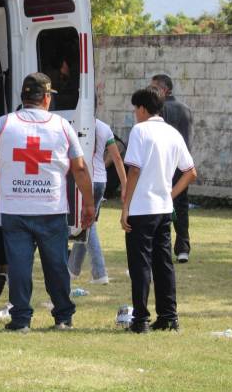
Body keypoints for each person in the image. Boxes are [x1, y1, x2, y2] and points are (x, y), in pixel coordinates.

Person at [0, 73, 95, 332]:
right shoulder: (62, 125)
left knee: (18, 266)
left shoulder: (3, 124)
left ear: (24, 97)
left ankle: (21, 321)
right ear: (47, 98)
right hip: (51, 208)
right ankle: (63, 317)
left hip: (14, 209)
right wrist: (88, 204)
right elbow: (80, 169)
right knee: (56, 265)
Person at [121, 87, 197, 334]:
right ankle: (168, 316)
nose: (135, 114)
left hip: (141, 207)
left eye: (135, 109)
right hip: (163, 208)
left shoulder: (140, 131)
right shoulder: (173, 133)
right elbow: (190, 172)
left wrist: (125, 207)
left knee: (140, 264)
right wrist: (171, 194)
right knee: (163, 263)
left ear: (142, 108)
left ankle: (140, 319)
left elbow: (134, 170)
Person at [68, 111, 127, 284]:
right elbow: (116, 156)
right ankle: (73, 270)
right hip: (101, 180)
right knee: (86, 225)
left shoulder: (73, 126)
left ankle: (99, 272)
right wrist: (124, 185)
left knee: (87, 224)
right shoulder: (103, 127)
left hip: (85, 179)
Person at [151, 74, 194, 263]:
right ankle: (183, 247)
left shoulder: (161, 110)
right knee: (181, 206)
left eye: (153, 88)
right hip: (183, 164)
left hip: (165, 163)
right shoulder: (186, 109)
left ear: (163, 90)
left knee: (161, 205)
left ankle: (162, 246)